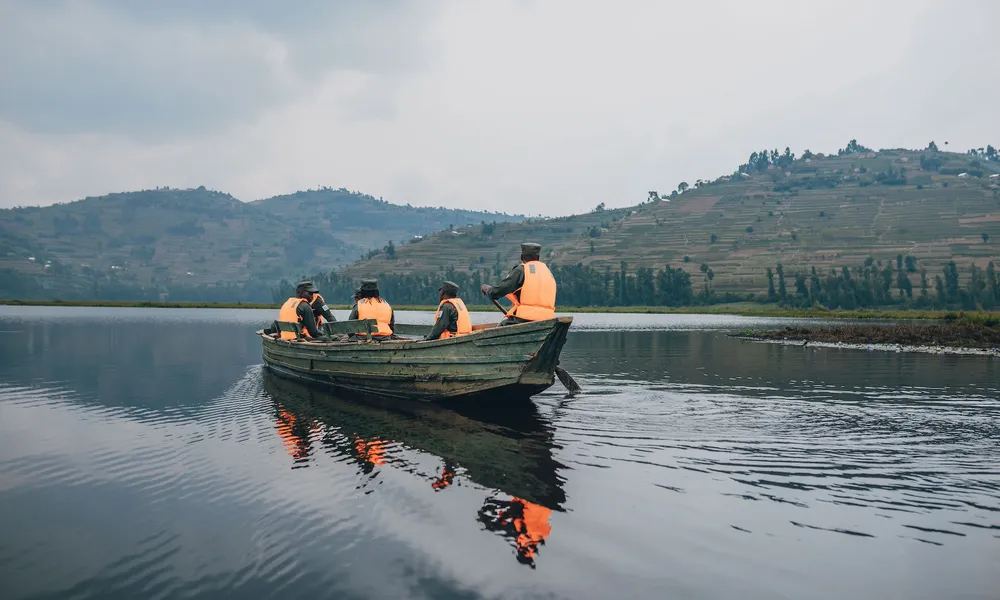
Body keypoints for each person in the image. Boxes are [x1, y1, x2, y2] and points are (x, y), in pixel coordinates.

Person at [481, 242, 557, 326]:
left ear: (521, 257)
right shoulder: (548, 272)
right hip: (548, 319)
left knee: (497, 330)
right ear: (538, 257)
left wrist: (487, 289)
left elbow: (497, 292)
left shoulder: (521, 270)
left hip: (525, 319)